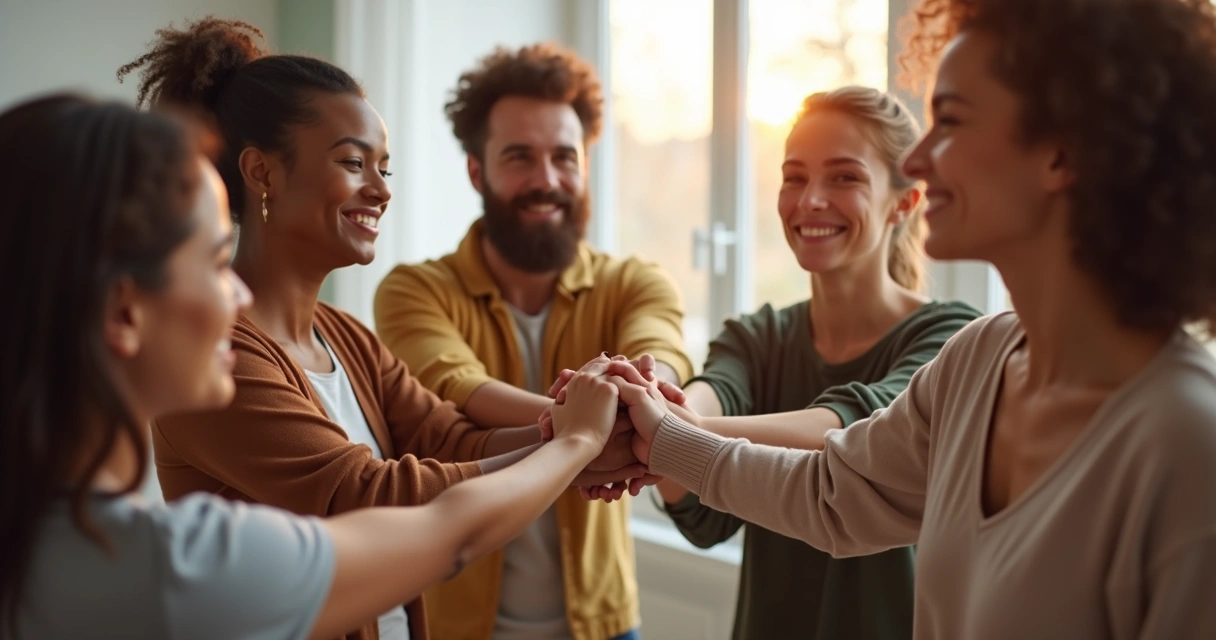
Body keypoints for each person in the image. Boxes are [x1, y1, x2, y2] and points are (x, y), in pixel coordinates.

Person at [569, 0, 1216, 637]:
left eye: (951, 122)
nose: (916, 161)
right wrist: (663, 438)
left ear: (1059, 150)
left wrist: (647, 434)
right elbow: (832, 493)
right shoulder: (978, 358)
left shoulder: (1186, 442)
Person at [0, 93, 627, 640]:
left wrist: (585, 432)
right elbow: (432, 526)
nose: (237, 296)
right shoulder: (177, 567)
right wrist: (577, 438)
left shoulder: (50, 546)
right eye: (215, 263)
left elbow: (447, 439)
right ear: (123, 312)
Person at [373, 44, 692, 640]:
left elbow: (664, 359)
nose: (546, 180)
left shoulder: (636, 283)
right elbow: (457, 388)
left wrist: (630, 407)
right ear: (477, 171)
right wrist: (594, 428)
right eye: (520, 157)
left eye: (564, 157)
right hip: (452, 626)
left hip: (605, 626)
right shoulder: (413, 289)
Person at [649, 86, 981, 640]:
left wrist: (670, 433)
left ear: (904, 202)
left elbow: (855, 428)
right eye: (794, 176)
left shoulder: (951, 338)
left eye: (844, 177)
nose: (809, 201)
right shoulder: (758, 337)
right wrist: (664, 416)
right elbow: (709, 398)